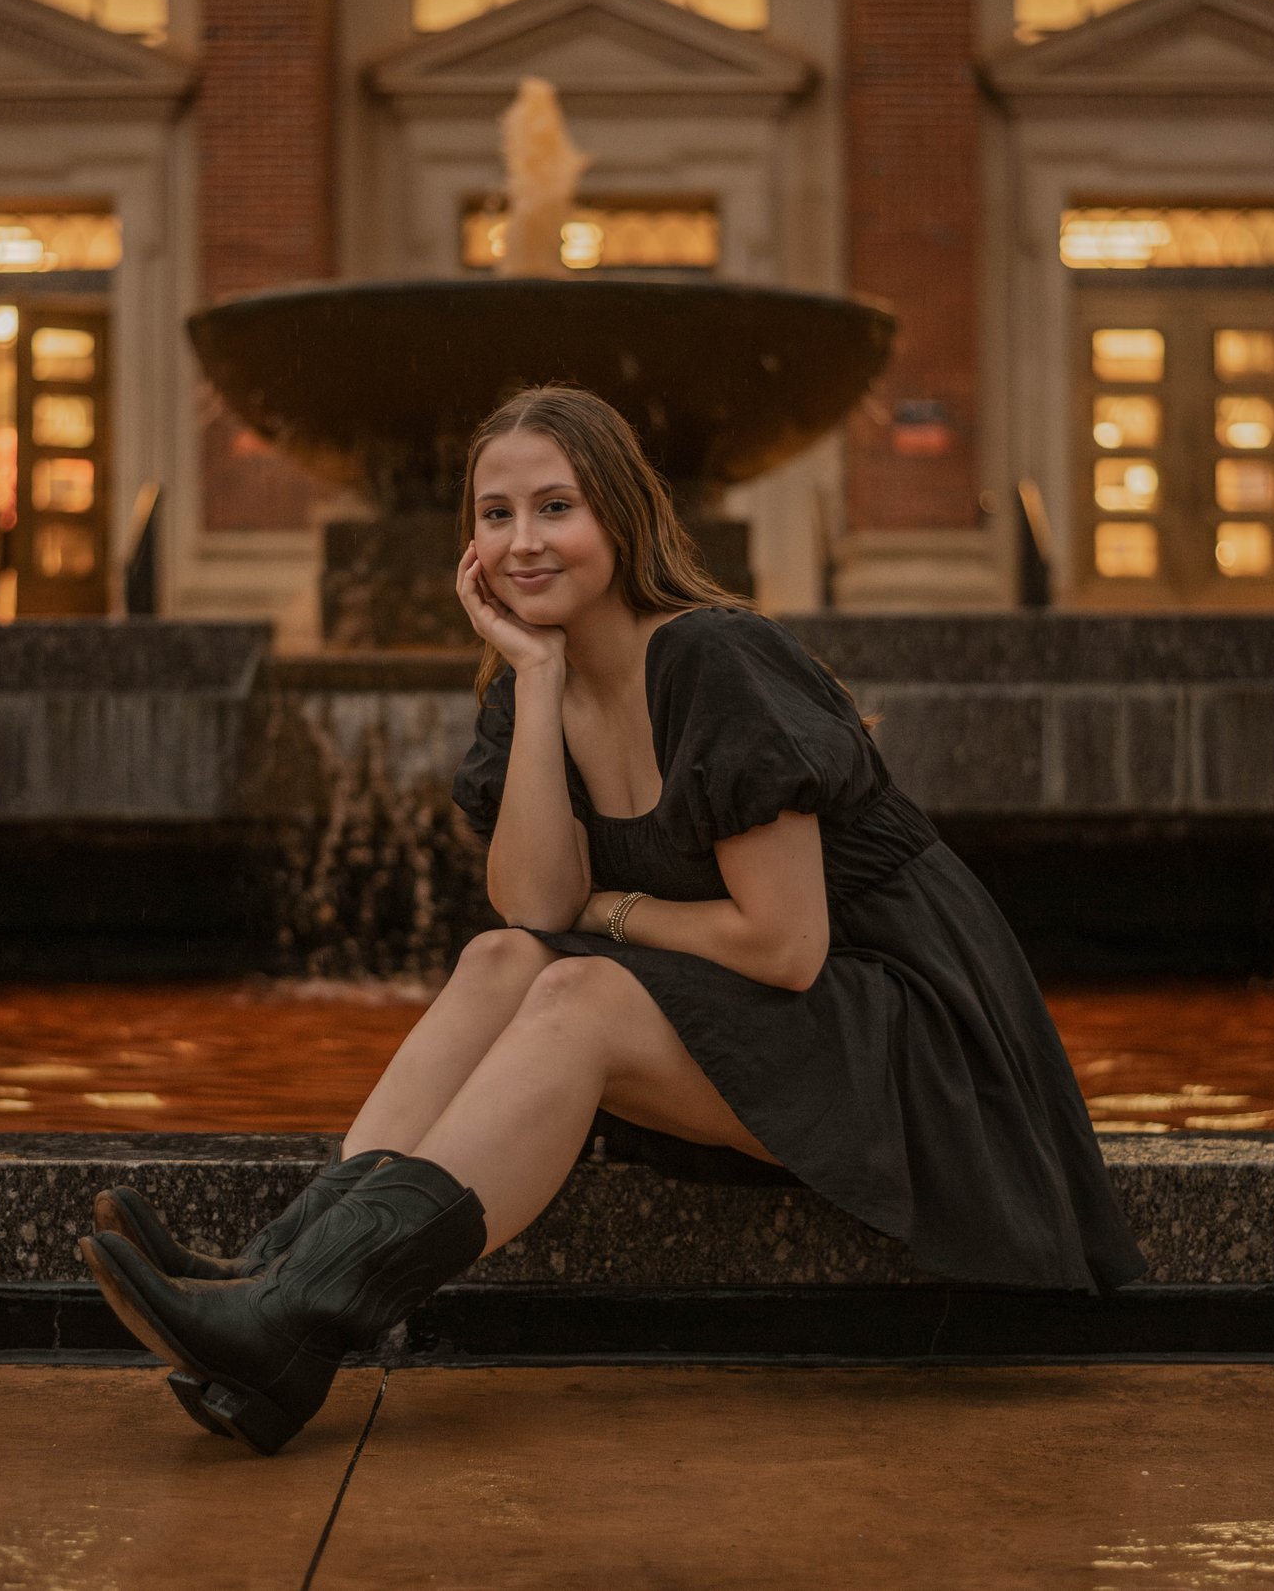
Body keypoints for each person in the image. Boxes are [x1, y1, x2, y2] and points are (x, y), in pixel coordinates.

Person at [79, 385, 1145, 1455]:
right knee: (506, 957)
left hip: (907, 1043)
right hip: (774, 1031)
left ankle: (291, 1321)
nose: (522, 541)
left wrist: (618, 910)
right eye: (495, 514)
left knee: (580, 990)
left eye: (555, 507)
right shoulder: (535, 679)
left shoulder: (713, 658)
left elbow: (786, 947)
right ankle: (273, 1276)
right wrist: (537, 682)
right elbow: (535, 908)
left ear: (621, 518)